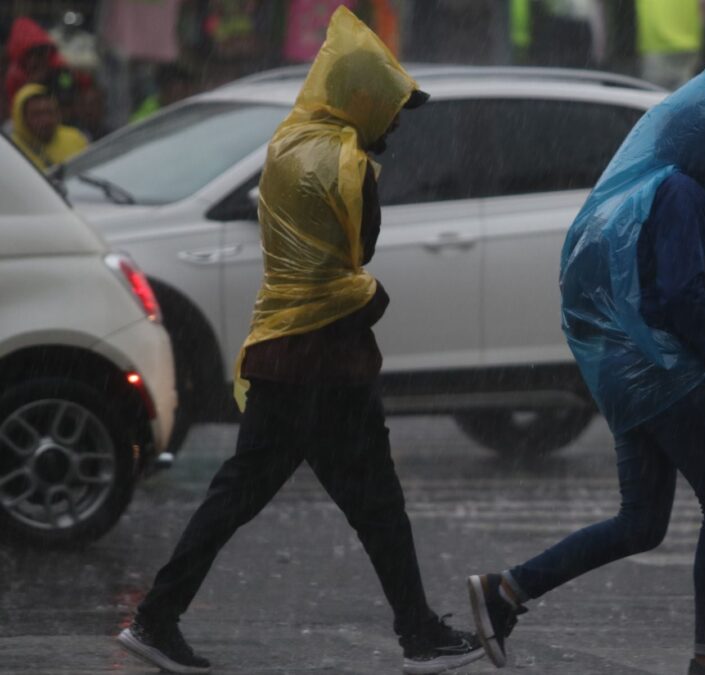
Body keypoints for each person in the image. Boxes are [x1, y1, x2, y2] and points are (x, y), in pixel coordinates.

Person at [116, 9, 483, 675]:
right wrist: (367, 177)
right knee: (375, 503)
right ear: (363, 100)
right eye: (392, 108)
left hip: (279, 346)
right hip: (329, 357)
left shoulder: (286, 144)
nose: (396, 123)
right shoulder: (349, 163)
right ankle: (419, 634)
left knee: (241, 493)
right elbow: (360, 250)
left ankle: (157, 614)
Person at [467, 44, 705, 675]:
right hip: (667, 376)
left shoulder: (693, 194)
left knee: (641, 523)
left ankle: (506, 591)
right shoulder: (679, 195)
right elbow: (680, 294)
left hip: (636, 381)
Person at [9, 83, 87, 170]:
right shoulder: (12, 152)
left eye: (49, 112)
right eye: (37, 114)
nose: (46, 120)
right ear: (22, 118)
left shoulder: (75, 137)